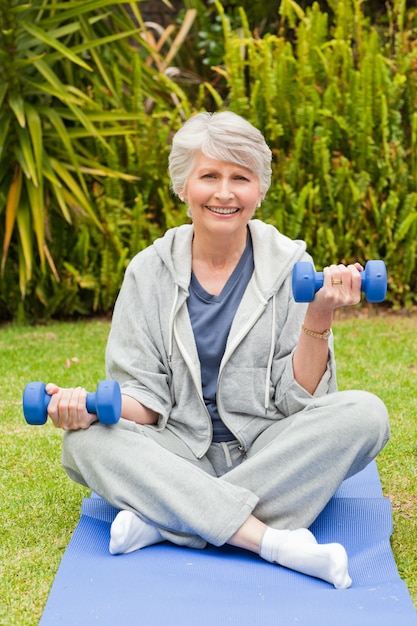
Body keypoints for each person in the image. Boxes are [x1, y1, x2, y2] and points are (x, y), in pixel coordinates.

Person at [46, 111, 389, 589]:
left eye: (240, 178)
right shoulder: (147, 273)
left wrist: (320, 314)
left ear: (259, 191)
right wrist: (84, 407)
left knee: (365, 413)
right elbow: (144, 400)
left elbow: (299, 403)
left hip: (267, 447)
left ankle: (166, 521)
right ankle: (272, 542)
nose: (224, 193)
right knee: (85, 441)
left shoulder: (293, 265)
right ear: (184, 187)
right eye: (209, 176)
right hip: (178, 449)